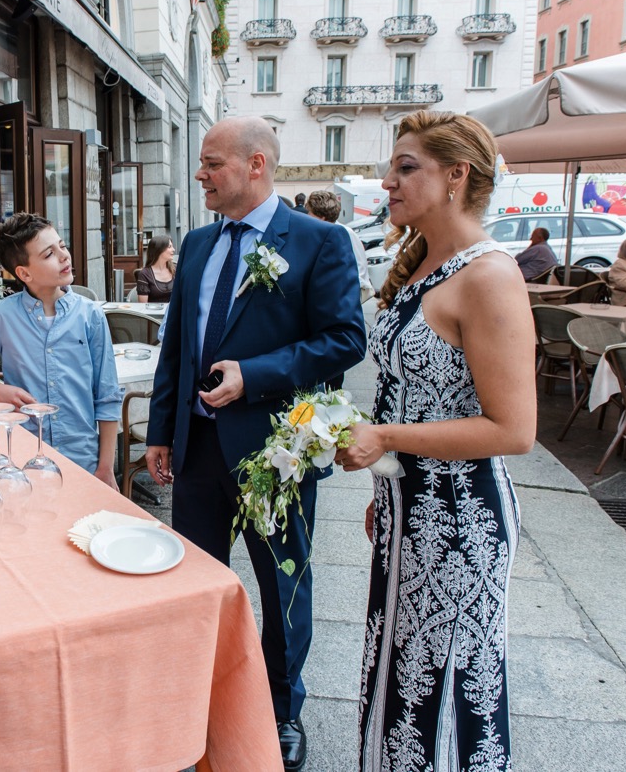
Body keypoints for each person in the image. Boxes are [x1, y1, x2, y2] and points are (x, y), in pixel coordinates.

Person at [144, 117, 366, 771]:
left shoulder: (319, 242)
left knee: (281, 587)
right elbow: (177, 349)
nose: (200, 173)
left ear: (257, 165)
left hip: (276, 455)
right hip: (197, 454)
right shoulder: (199, 242)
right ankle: (200, 697)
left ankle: (279, 709)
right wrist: (161, 430)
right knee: (198, 586)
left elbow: (344, 340)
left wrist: (256, 375)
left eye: (212, 162)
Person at [334, 110, 535, 772]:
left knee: (442, 688)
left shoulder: (489, 276)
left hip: (458, 524)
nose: (388, 181)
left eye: (405, 167)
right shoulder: (425, 264)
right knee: (398, 674)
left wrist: (386, 436)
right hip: (406, 512)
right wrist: (386, 481)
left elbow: (514, 429)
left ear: (457, 175)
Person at [0, 212, 123, 490]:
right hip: (22, 458)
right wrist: (1, 392)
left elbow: (107, 397)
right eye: (49, 254)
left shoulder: (90, 315)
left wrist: (105, 468)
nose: (64, 256)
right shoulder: (1, 317)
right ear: (24, 273)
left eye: (62, 246)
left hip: (82, 457)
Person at [306, 189, 375, 302]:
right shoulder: (317, 233)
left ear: (321, 217)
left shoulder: (345, 233)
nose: (307, 216)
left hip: (344, 297)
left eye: (310, 213)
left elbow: (360, 267)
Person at [135, 234, 175, 303]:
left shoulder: (175, 269)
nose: (173, 250)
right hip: (153, 313)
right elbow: (143, 306)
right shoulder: (145, 274)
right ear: (159, 250)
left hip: (174, 313)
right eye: (170, 247)